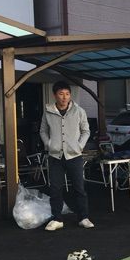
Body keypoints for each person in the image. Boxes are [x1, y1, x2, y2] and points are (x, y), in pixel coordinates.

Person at [40, 81, 94, 231]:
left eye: (67, 94)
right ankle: (57, 219)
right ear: (55, 95)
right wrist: (49, 144)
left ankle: (83, 217)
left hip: (74, 156)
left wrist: (79, 146)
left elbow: (86, 131)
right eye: (61, 94)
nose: (64, 97)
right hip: (55, 156)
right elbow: (43, 131)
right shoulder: (48, 111)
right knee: (55, 188)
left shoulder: (79, 111)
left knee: (79, 187)